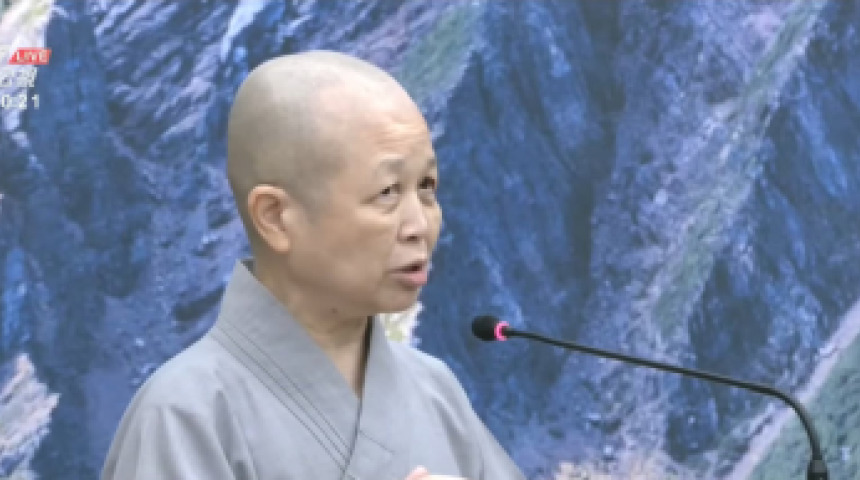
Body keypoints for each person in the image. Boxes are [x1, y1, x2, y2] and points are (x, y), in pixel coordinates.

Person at [101, 50, 525, 480]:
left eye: (427, 187)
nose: (420, 225)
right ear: (276, 217)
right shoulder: (184, 413)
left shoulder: (435, 389)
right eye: (387, 192)